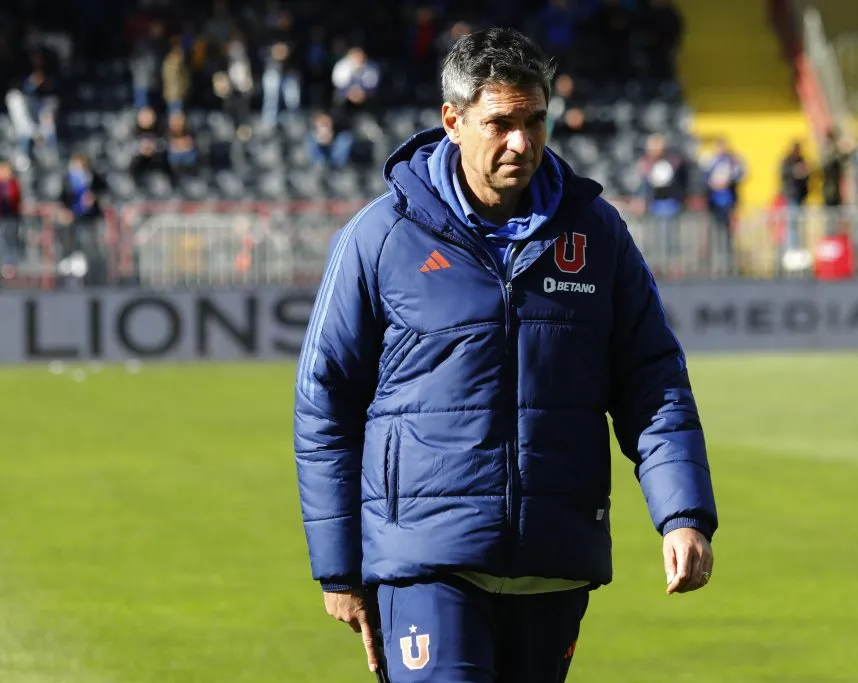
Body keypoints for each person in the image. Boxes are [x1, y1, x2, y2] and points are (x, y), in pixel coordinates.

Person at [293, 27, 718, 683]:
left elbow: (651, 380)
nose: (522, 142)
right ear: (452, 121)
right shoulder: (381, 238)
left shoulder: (596, 234)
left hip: (554, 556)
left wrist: (682, 513)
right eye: (501, 123)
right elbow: (325, 399)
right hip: (428, 562)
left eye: (535, 120)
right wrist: (338, 566)